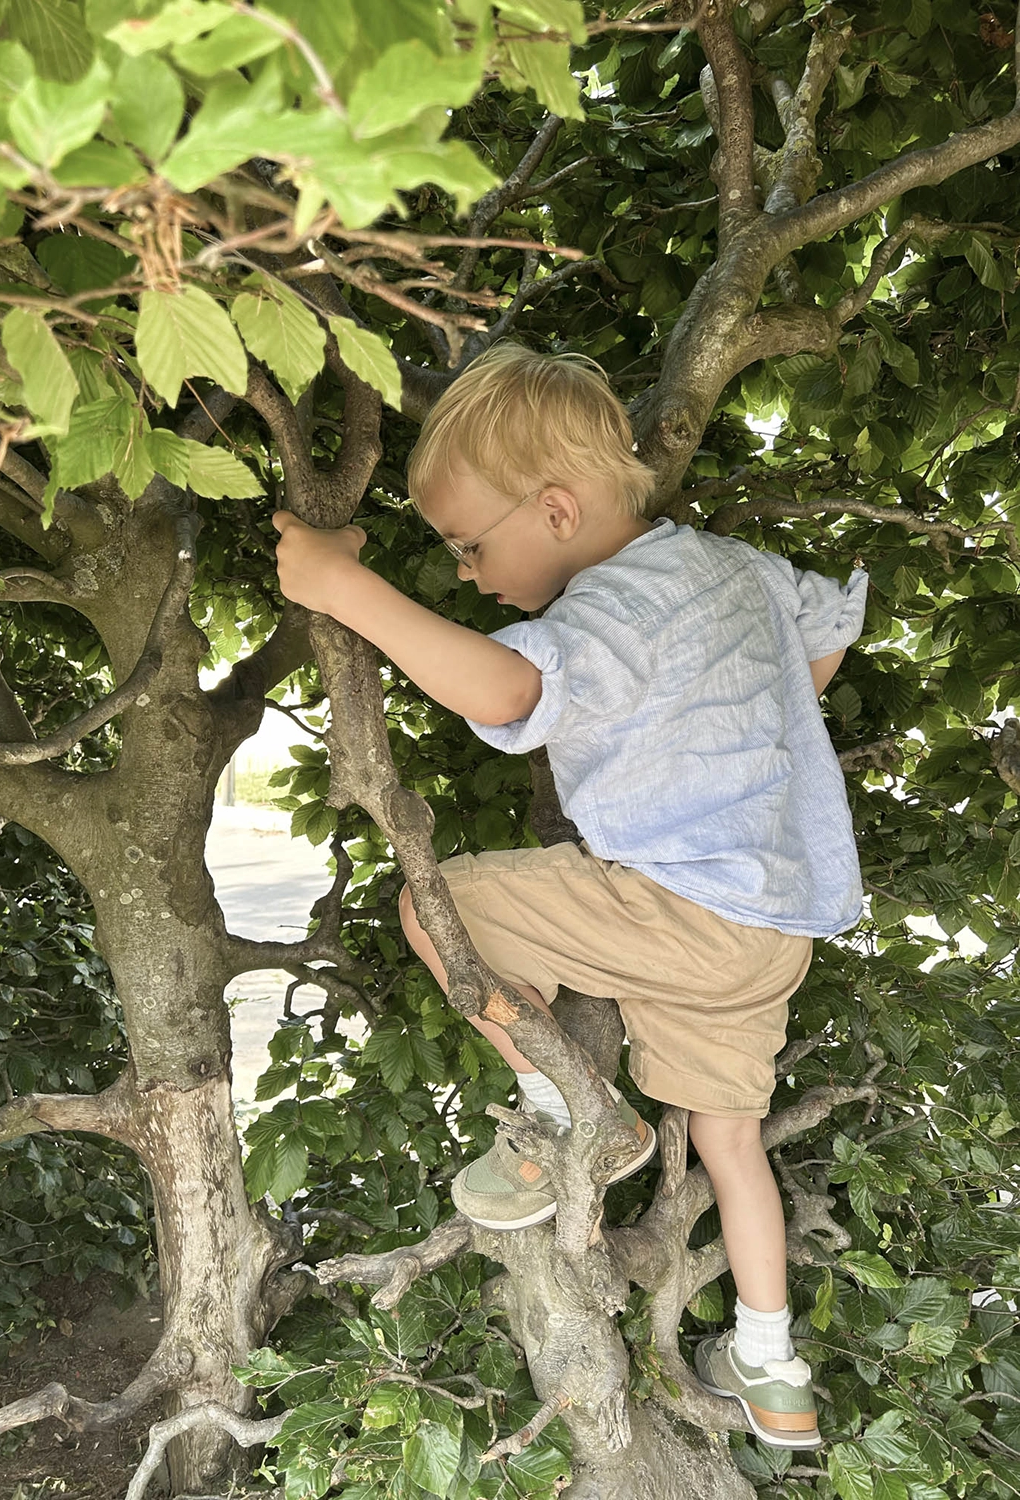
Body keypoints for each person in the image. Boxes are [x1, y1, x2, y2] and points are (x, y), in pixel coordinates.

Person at [272, 342, 867, 1451]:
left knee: (438, 905)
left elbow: (505, 688)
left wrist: (344, 586)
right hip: (775, 928)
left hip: (678, 906)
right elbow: (825, 642)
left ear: (554, 509)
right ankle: (772, 1366)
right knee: (732, 1141)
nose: (464, 572)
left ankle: (567, 1114)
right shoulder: (729, 568)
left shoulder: (618, 605)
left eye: (468, 544)